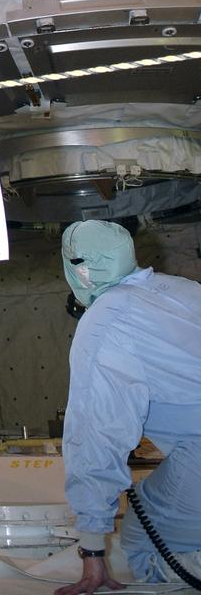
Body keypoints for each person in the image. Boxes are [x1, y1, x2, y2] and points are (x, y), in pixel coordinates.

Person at [56, 219, 201, 595]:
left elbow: (95, 431)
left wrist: (91, 545)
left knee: (144, 540)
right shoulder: (181, 289)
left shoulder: (106, 321)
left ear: (79, 269)